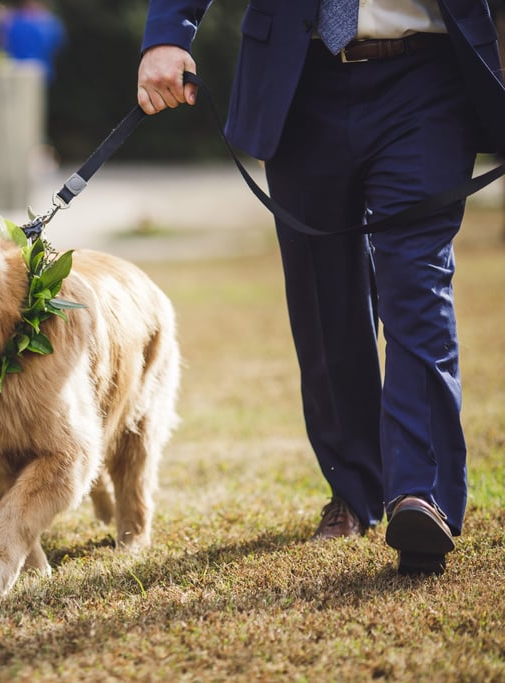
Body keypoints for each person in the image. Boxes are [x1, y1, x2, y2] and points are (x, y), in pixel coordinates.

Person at [137, 0, 505, 576]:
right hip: (298, 76)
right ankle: (355, 491)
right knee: (321, 293)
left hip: (427, 78)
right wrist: (166, 34)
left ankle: (419, 495)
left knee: (417, 281)